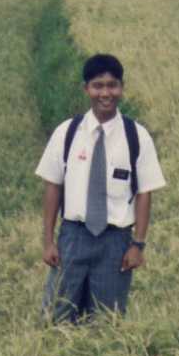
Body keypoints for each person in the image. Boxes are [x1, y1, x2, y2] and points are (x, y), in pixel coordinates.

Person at [37, 53, 166, 323]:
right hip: (73, 237)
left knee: (107, 323)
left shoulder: (136, 136)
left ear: (121, 88)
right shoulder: (67, 132)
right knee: (55, 316)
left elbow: (145, 194)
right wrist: (49, 240)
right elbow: (53, 187)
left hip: (115, 242)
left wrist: (137, 245)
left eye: (112, 85)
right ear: (86, 89)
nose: (105, 93)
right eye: (98, 86)